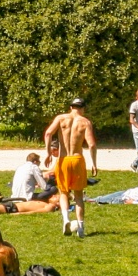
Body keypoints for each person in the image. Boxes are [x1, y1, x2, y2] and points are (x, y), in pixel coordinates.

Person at [41, 98, 96, 238]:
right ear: (83, 108)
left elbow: (48, 133)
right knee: (78, 195)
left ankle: (66, 219)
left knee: (63, 192)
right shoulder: (85, 122)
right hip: (77, 159)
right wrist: (94, 163)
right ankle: (81, 226)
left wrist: (48, 153)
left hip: (63, 159)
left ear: (71, 107)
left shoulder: (61, 118)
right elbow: (92, 144)